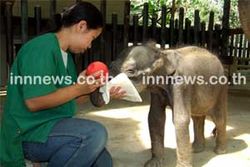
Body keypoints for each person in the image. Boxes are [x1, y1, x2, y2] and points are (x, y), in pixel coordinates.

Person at [0, 2, 125, 167]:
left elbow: (66, 100)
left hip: (47, 128)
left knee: (102, 159)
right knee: (94, 134)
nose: (89, 46)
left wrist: (101, 91)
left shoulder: (66, 58)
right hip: (28, 133)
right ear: (81, 26)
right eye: (92, 38)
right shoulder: (41, 48)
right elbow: (34, 101)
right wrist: (78, 88)